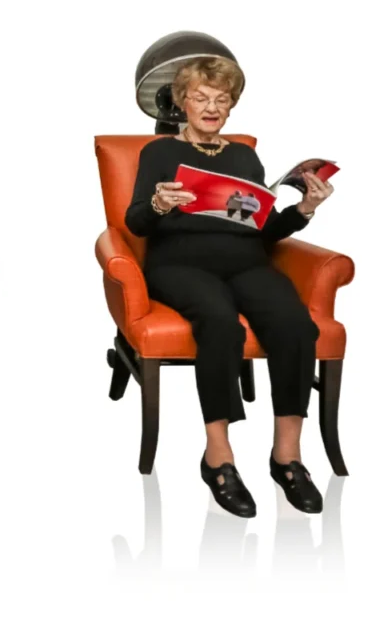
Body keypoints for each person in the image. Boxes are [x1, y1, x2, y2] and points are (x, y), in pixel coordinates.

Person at [125, 57, 334, 518]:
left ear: (232, 105)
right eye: (200, 97)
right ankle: (218, 455)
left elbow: (262, 228)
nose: (211, 106)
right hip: (180, 263)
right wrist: (159, 202)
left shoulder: (244, 156)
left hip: (246, 261)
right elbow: (135, 223)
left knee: (295, 324)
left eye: (221, 99)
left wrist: (304, 210)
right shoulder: (158, 152)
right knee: (219, 322)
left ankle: (287, 458)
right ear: (182, 102)